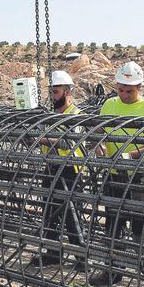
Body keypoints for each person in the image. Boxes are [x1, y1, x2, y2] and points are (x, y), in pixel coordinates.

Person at [89, 61, 144, 287]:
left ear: (139, 86)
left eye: (129, 91)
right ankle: (112, 271)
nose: (124, 94)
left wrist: (132, 155)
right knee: (113, 226)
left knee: (143, 230)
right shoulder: (109, 105)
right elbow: (99, 133)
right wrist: (99, 145)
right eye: (121, 89)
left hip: (138, 176)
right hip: (114, 176)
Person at [36, 70, 86, 267]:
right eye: (51, 92)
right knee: (49, 213)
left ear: (67, 92)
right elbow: (40, 140)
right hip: (51, 168)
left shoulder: (77, 116)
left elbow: (69, 143)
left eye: (55, 92)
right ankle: (52, 253)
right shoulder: (48, 116)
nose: (52, 96)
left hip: (70, 171)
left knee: (72, 216)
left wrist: (45, 138)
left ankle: (82, 257)